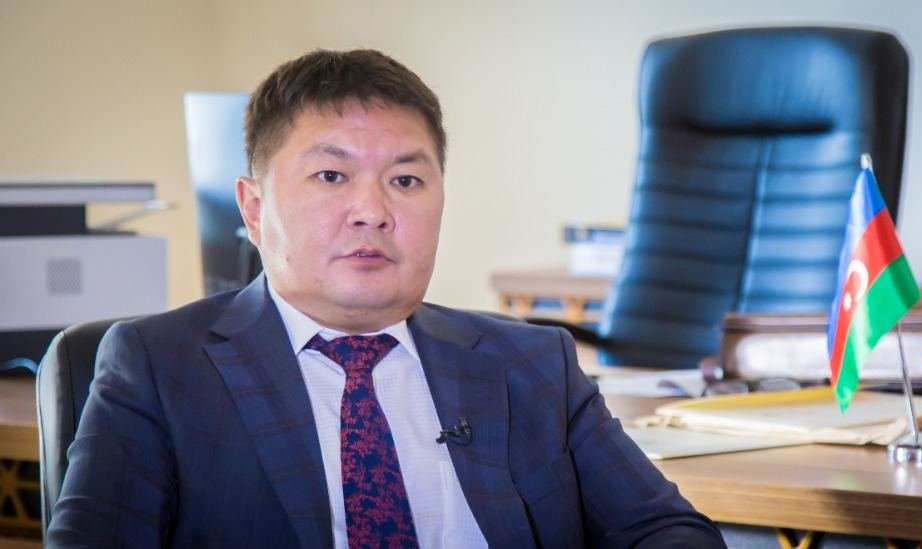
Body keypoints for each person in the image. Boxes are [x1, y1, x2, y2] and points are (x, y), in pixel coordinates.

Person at [48, 49, 726, 548]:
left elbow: (668, 531)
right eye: (331, 175)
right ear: (254, 209)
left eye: (405, 181)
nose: (372, 210)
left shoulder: (533, 362)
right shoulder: (159, 366)